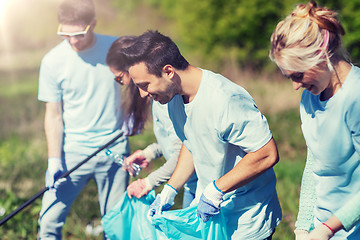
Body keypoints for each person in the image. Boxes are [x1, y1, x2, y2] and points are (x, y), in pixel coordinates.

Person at [119, 30, 282, 239]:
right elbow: (191, 143)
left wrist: (217, 190)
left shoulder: (224, 98)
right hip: (212, 217)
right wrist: (170, 189)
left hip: (246, 220)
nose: (142, 94)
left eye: (145, 85)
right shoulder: (174, 99)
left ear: (168, 71)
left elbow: (266, 153)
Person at [37, 0, 131, 239]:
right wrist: (54, 160)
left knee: (116, 226)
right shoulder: (52, 61)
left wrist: (133, 116)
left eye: (79, 34)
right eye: (65, 34)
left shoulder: (117, 49)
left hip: (114, 148)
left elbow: (138, 86)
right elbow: (53, 115)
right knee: (48, 221)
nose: (73, 41)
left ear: (93, 24)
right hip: (72, 153)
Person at [270, 1, 360, 239]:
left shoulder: (355, 97)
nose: (295, 86)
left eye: (298, 75)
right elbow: (314, 163)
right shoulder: (309, 98)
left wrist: (329, 227)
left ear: (320, 55)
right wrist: (303, 226)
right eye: (289, 77)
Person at [106, 36, 197, 208]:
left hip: (199, 183)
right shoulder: (158, 100)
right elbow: (177, 140)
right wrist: (150, 153)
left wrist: (149, 183)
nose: (121, 84)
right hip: (191, 183)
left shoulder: (165, 101)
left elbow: (185, 151)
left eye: (119, 78)